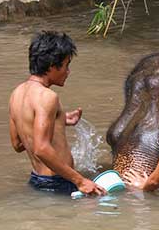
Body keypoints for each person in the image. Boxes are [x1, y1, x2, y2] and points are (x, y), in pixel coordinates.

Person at [8, 31, 106, 195]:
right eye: (66, 65)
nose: (68, 71)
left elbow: (18, 144)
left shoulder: (16, 94)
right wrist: (80, 181)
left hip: (37, 179)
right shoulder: (48, 97)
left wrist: (59, 120)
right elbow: (41, 148)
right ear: (52, 66)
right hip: (58, 183)